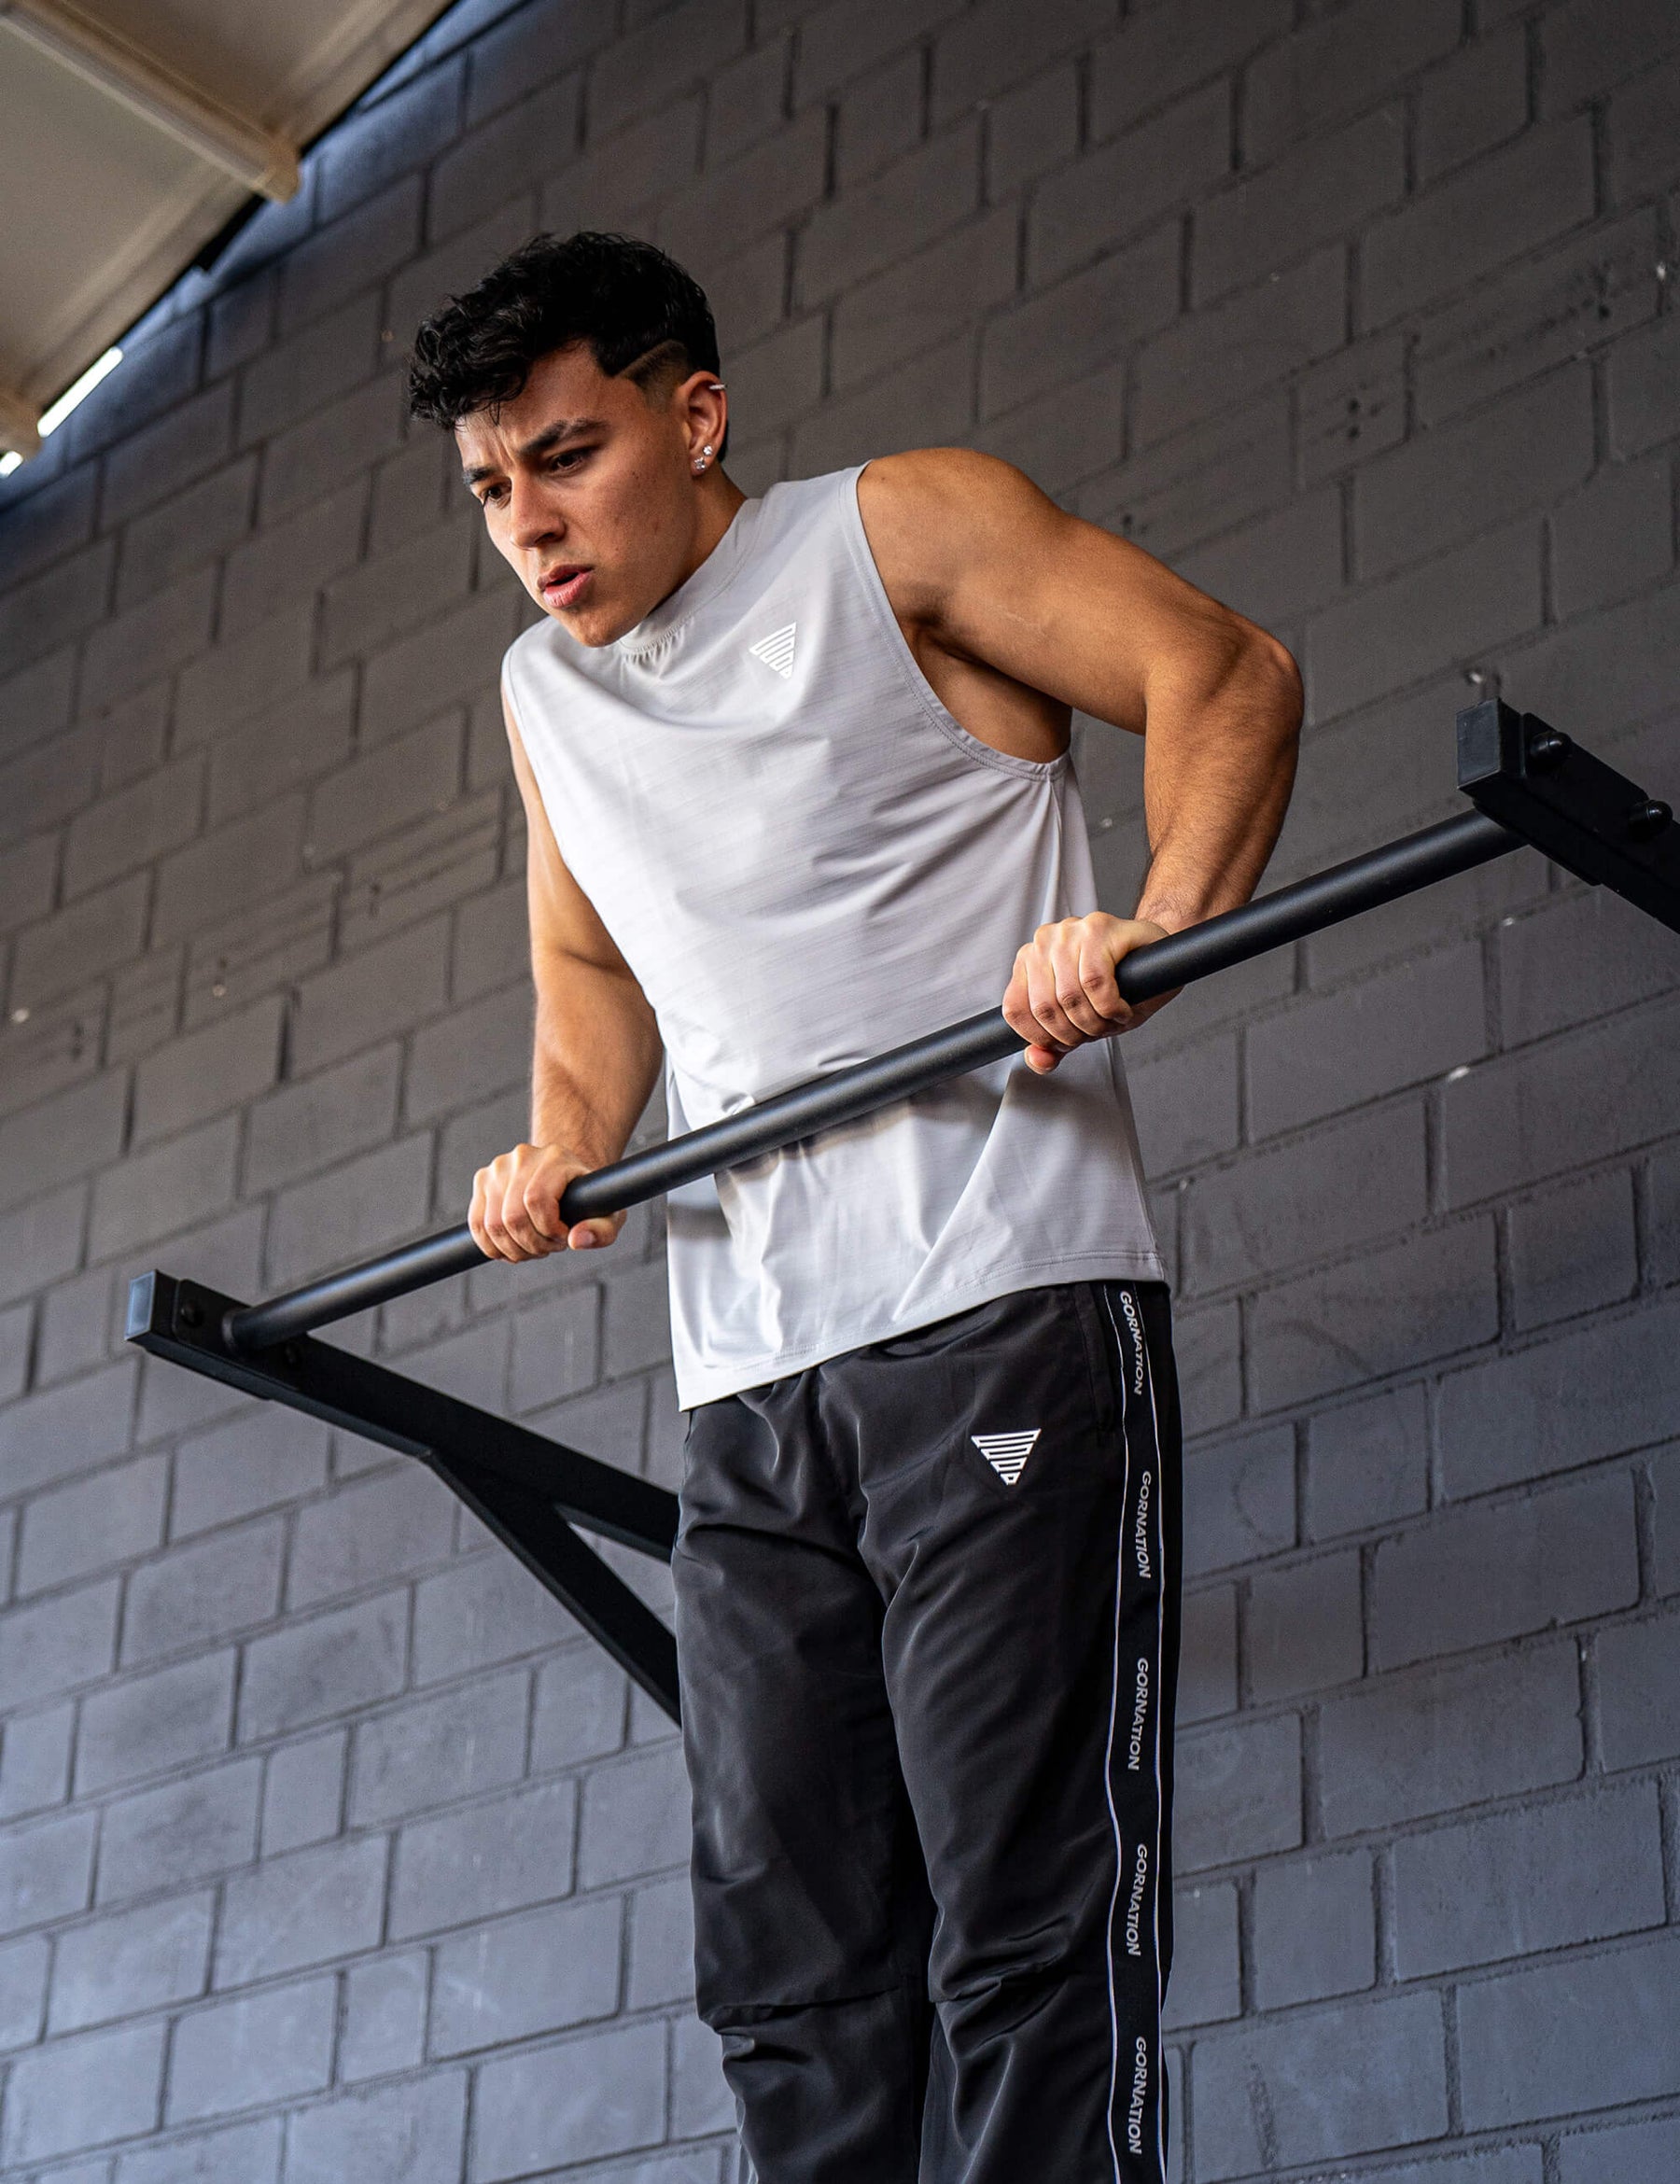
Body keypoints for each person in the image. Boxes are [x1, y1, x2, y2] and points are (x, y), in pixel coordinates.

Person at [407, 231, 1301, 2184]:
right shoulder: (542, 696)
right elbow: (592, 973)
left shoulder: (898, 533)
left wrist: (1151, 931)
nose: (530, 524)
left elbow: (1223, 673)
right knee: (792, 1971)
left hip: (996, 1292)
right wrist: (558, 1135)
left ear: (695, 411)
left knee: (1020, 1919)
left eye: (567, 455)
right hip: (749, 1371)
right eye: (492, 489)